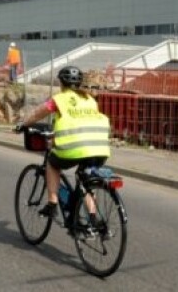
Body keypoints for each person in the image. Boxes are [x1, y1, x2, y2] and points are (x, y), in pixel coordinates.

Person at [17, 65, 111, 220]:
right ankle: (93, 220)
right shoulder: (90, 100)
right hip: (99, 148)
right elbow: (80, 122)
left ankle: (52, 204)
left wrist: (23, 124)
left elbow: (37, 114)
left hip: (75, 148)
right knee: (86, 180)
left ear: (61, 83)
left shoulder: (59, 99)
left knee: (52, 164)